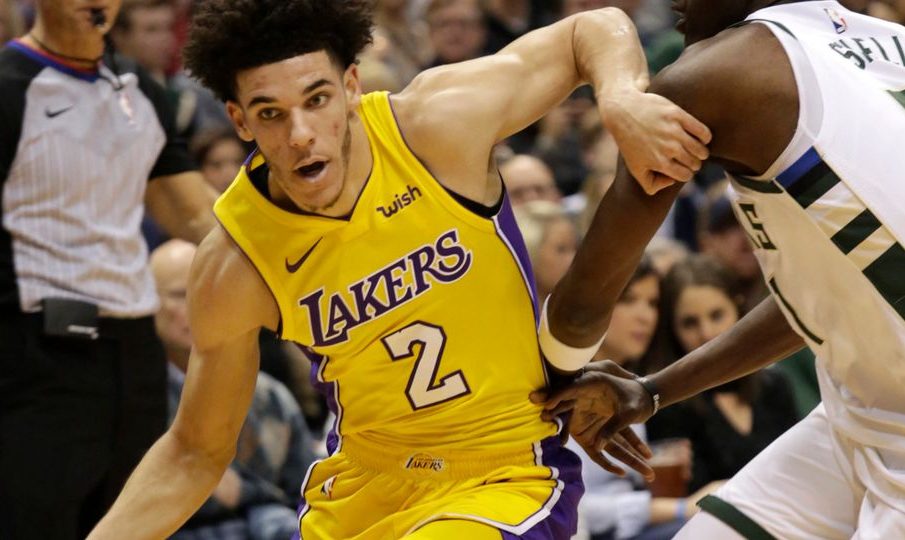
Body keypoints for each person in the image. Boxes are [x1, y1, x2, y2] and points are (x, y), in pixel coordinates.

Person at [87, 1, 710, 538]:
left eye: (317, 99)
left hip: (503, 472)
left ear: (351, 86)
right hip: (362, 488)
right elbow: (195, 452)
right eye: (270, 113)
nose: (300, 134)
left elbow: (590, 31)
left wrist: (620, 96)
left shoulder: (434, 127)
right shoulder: (235, 262)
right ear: (239, 120)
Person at [536, 1, 905, 538]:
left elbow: (580, 308)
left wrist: (521, 401)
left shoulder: (716, 74)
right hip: (864, 408)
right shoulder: (887, 43)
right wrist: (653, 390)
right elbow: (833, 296)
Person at [0, 0, 217, 538]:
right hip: (38, 348)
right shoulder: (10, 86)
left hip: (135, 350)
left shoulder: (140, 91)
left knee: (132, 524)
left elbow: (192, 212)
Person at [150, 239, 316, 540]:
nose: (197, 306)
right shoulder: (138, 404)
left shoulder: (271, 396)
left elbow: (311, 497)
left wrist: (244, 492)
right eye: (179, 295)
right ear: (149, 303)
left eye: (208, 292)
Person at [642, 255, 799, 492]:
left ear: (739, 309)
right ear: (672, 330)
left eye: (716, 315)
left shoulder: (774, 383)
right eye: (690, 323)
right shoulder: (665, 403)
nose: (706, 333)